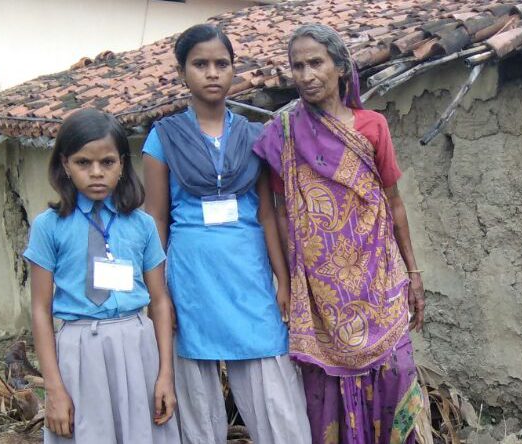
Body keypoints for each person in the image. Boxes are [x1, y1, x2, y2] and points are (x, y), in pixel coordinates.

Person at [252, 23, 428, 444]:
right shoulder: (283, 134)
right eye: (298, 66)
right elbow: (278, 213)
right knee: (325, 391)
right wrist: (287, 279)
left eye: (316, 62)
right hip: (319, 292)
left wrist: (414, 272)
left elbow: (394, 202)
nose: (307, 74)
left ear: (340, 68)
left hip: (378, 279)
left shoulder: (371, 126)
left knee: (398, 371)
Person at [143, 23, 311, 444]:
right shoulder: (163, 138)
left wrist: (284, 279)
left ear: (234, 70)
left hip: (248, 275)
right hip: (190, 276)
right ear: (183, 73)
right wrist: (156, 292)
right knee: (195, 392)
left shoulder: (254, 136)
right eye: (200, 64)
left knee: (274, 389)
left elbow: (268, 215)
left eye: (222, 63)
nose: (212, 72)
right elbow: (156, 218)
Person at [24, 108, 179, 443]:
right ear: (65, 164)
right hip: (80, 349)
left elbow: (160, 301)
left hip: (137, 346)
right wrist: (54, 389)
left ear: (122, 164)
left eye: (107, 162)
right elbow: (40, 309)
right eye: (83, 162)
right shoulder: (48, 227)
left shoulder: (142, 226)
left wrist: (165, 374)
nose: (96, 173)